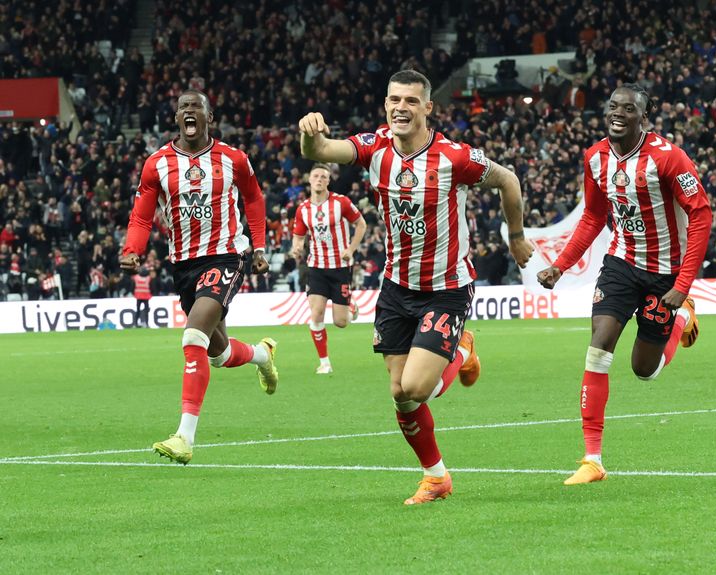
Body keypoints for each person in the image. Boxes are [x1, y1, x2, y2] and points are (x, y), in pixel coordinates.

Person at [298, 70, 533, 504]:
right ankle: (437, 477)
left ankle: (461, 349)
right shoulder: (374, 149)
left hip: (446, 287)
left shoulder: (455, 158)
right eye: (393, 100)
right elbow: (323, 149)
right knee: (399, 395)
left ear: (428, 107)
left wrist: (515, 235)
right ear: (385, 105)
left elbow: (509, 181)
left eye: (410, 100)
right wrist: (309, 134)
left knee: (417, 388)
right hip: (396, 287)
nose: (400, 107)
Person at [537, 84, 712, 485]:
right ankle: (592, 460)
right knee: (599, 345)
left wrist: (683, 286)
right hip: (622, 263)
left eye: (628, 109)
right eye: (613, 106)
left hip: (666, 273)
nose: (617, 113)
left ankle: (681, 319)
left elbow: (701, 216)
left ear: (644, 118)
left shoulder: (670, 160)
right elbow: (593, 218)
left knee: (644, 370)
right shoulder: (595, 158)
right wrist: (560, 266)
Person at [119, 89, 279, 464]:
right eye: (182, 108)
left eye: (196, 107)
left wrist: (258, 247)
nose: (188, 112)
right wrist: (133, 249)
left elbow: (254, 200)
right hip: (183, 264)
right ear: (176, 119)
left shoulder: (233, 159)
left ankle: (184, 436)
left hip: (226, 255)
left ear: (210, 117)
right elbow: (142, 215)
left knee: (192, 335)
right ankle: (261, 355)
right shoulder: (156, 164)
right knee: (218, 354)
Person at [290, 163, 367, 374]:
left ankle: (350, 309)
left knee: (341, 322)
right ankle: (324, 363)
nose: (319, 180)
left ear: (328, 180)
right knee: (316, 315)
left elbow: (361, 224)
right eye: (315, 176)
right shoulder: (303, 209)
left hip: (340, 267)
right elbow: (298, 236)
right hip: (316, 267)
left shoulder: (341, 202)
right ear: (309, 179)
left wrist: (351, 249)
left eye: (323, 177)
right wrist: (296, 248)